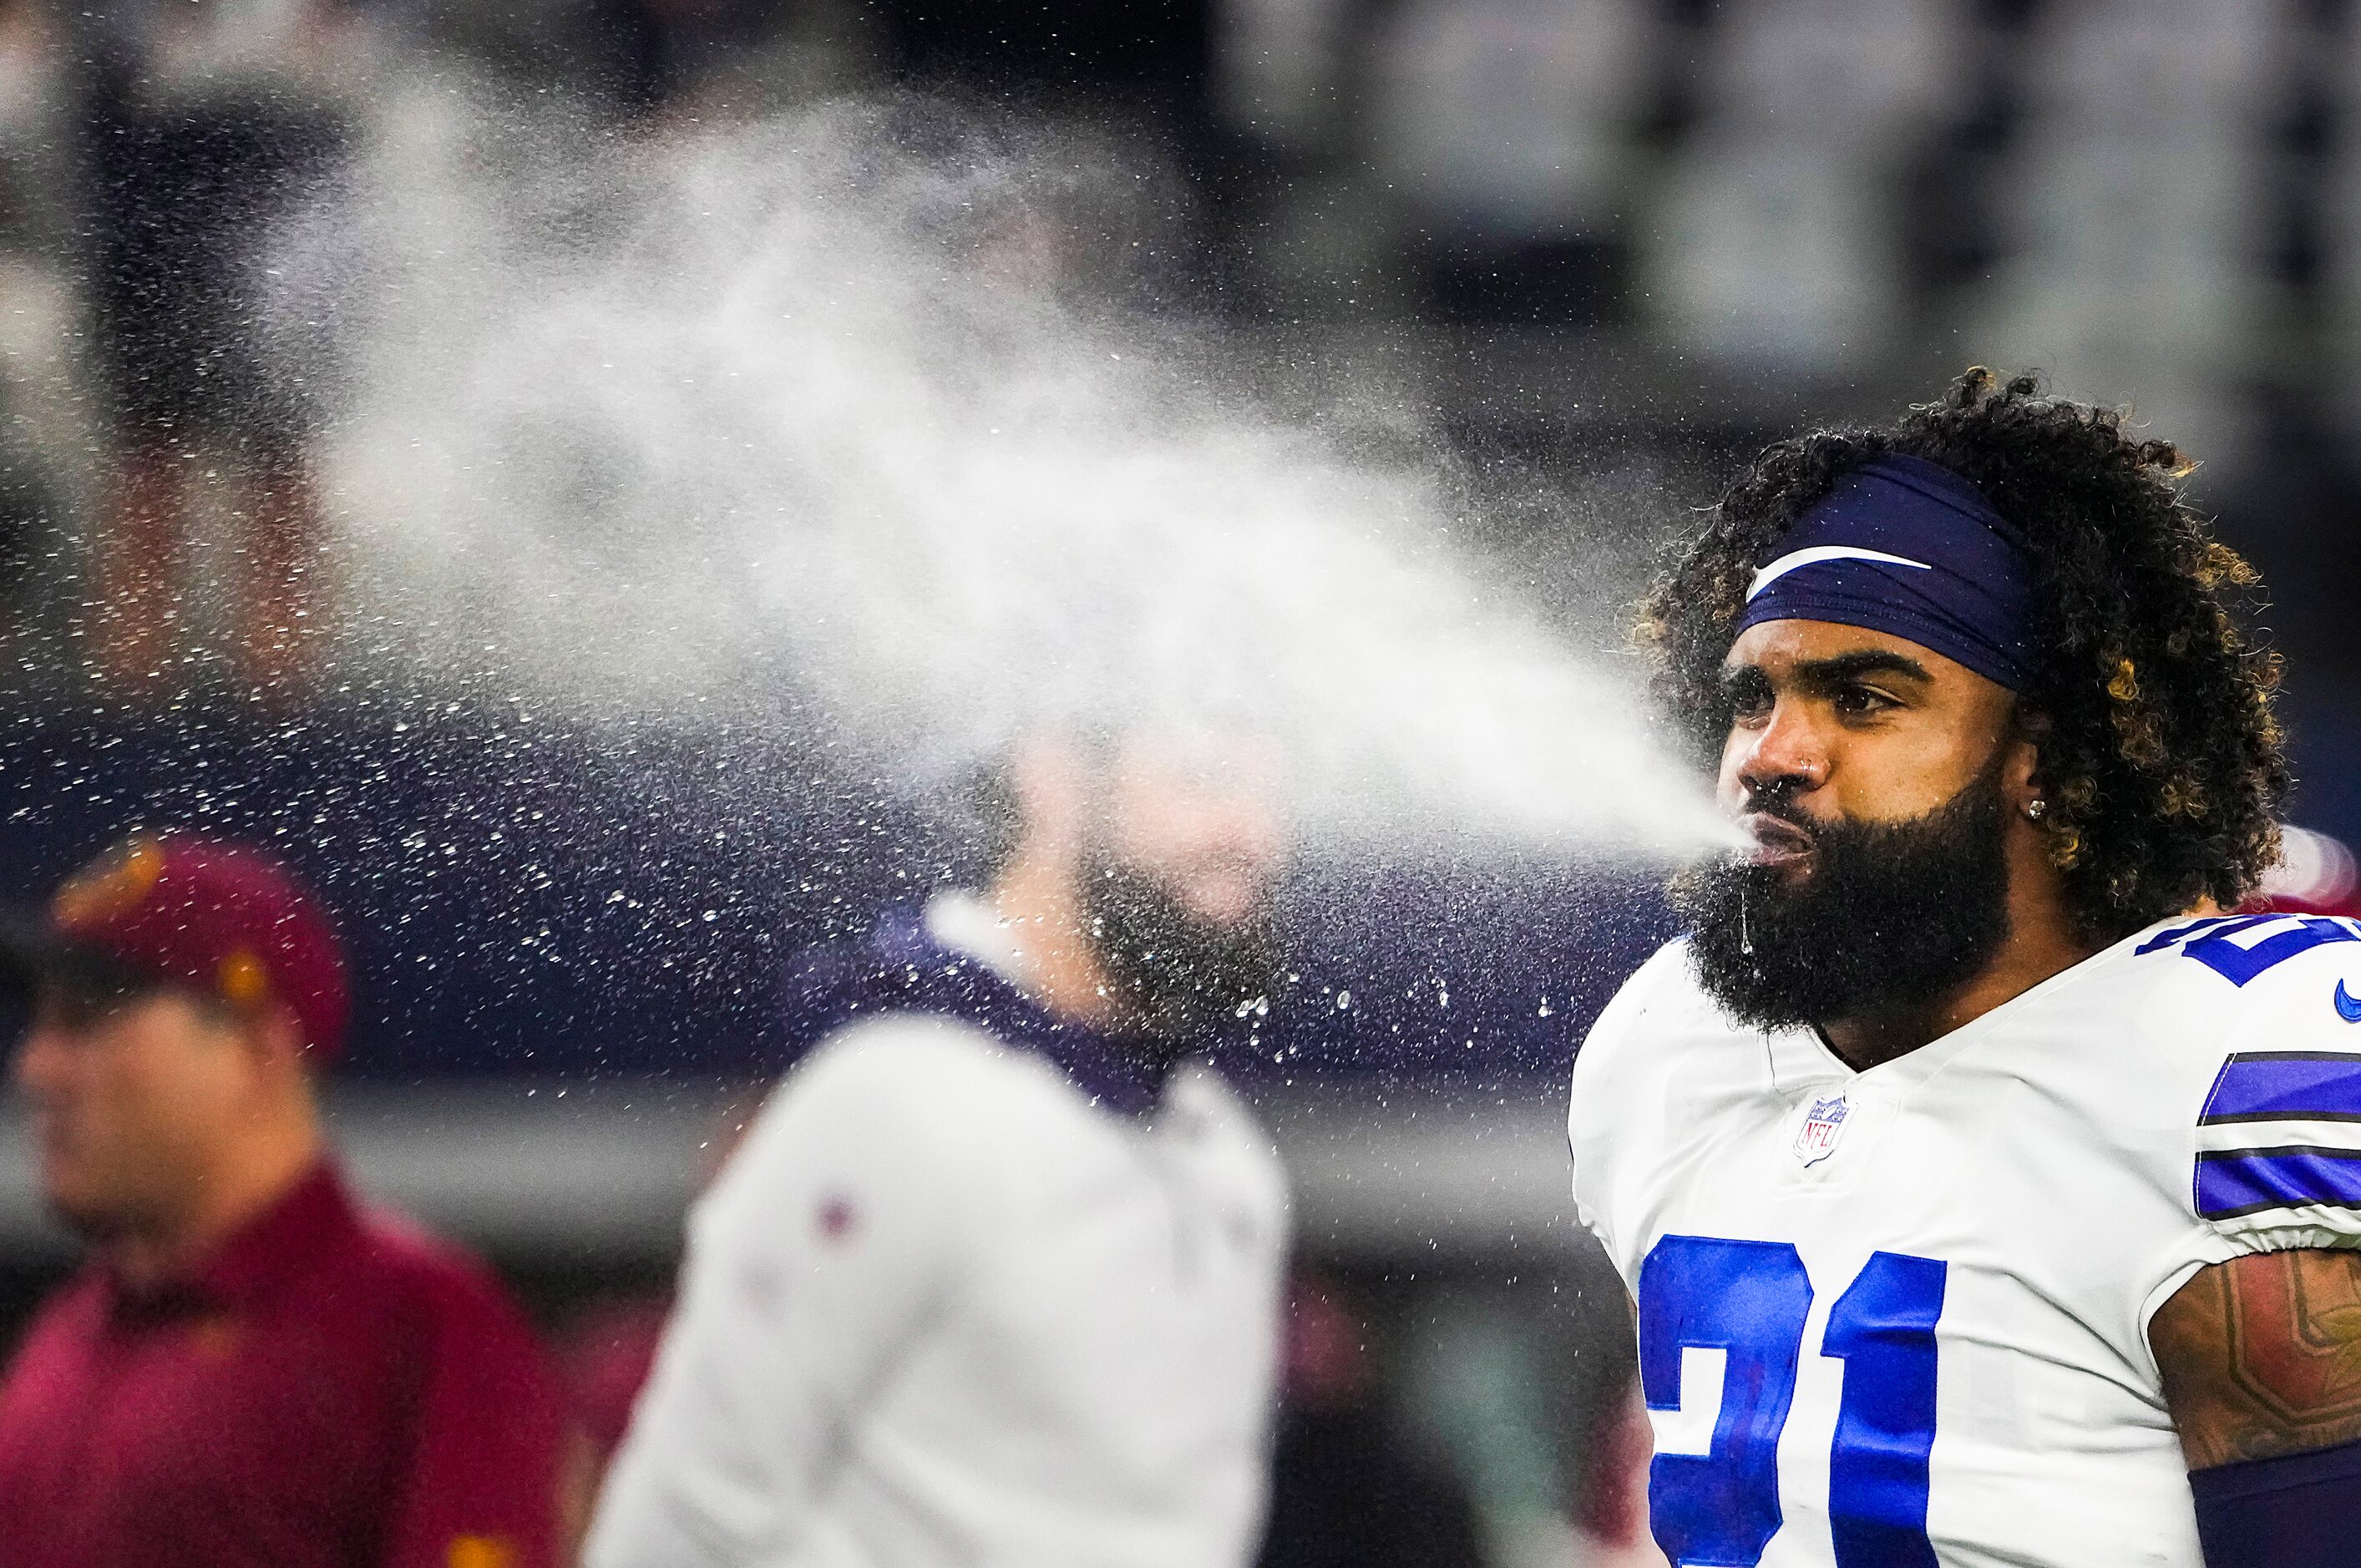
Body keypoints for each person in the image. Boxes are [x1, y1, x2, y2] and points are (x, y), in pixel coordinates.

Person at [1566, 369, 2361, 1567]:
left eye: (1864, 697)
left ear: (2038, 758)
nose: (1771, 754)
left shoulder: (2234, 1059)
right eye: (1751, 697)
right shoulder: (1665, 1042)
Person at [585, 732, 1292, 1568]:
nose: (1253, 832)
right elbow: (690, 1514)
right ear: (1054, 777)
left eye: (1278, 790)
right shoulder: (896, 1099)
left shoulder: (1225, 1159)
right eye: (1203, 774)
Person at [0, 832, 583, 1567]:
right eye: (40, 1025)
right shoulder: (69, 1332)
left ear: (257, 1047)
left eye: (86, 1021)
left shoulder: (415, 1327)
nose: (35, 1067)